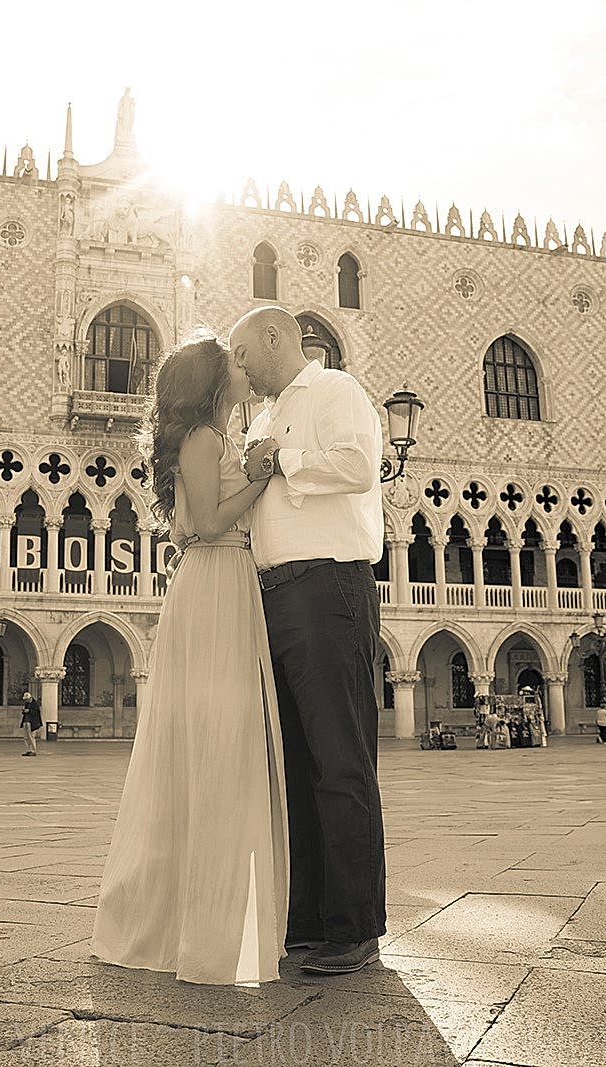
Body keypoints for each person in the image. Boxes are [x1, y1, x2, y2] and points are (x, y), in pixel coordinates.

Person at [92, 331, 286, 985]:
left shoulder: (216, 437)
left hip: (221, 583)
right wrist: (260, 480)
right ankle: (203, 938)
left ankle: (203, 922)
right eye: (233, 362)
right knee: (217, 747)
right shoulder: (206, 439)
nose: (244, 366)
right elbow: (205, 523)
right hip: (213, 582)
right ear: (211, 383)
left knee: (213, 749)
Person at [238, 305, 387, 976]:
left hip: (329, 590)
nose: (239, 367)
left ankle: (355, 927)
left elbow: (359, 465)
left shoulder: (336, 392)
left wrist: (282, 458)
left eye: (244, 353)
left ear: (274, 339)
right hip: (276, 596)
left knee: (340, 761)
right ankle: (311, 918)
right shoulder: (262, 418)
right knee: (295, 764)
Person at [20, 689, 41, 756]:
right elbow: (24, 712)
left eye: (27, 700)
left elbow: (37, 713)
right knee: (26, 737)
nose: (26, 701)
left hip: (32, 722)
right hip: (26, 721)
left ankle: (33, 750)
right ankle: (28, 749)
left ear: (30, 698)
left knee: (31, 736)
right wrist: (24, 711)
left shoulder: (35, 704)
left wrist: (29, 711)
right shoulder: (27, 704)